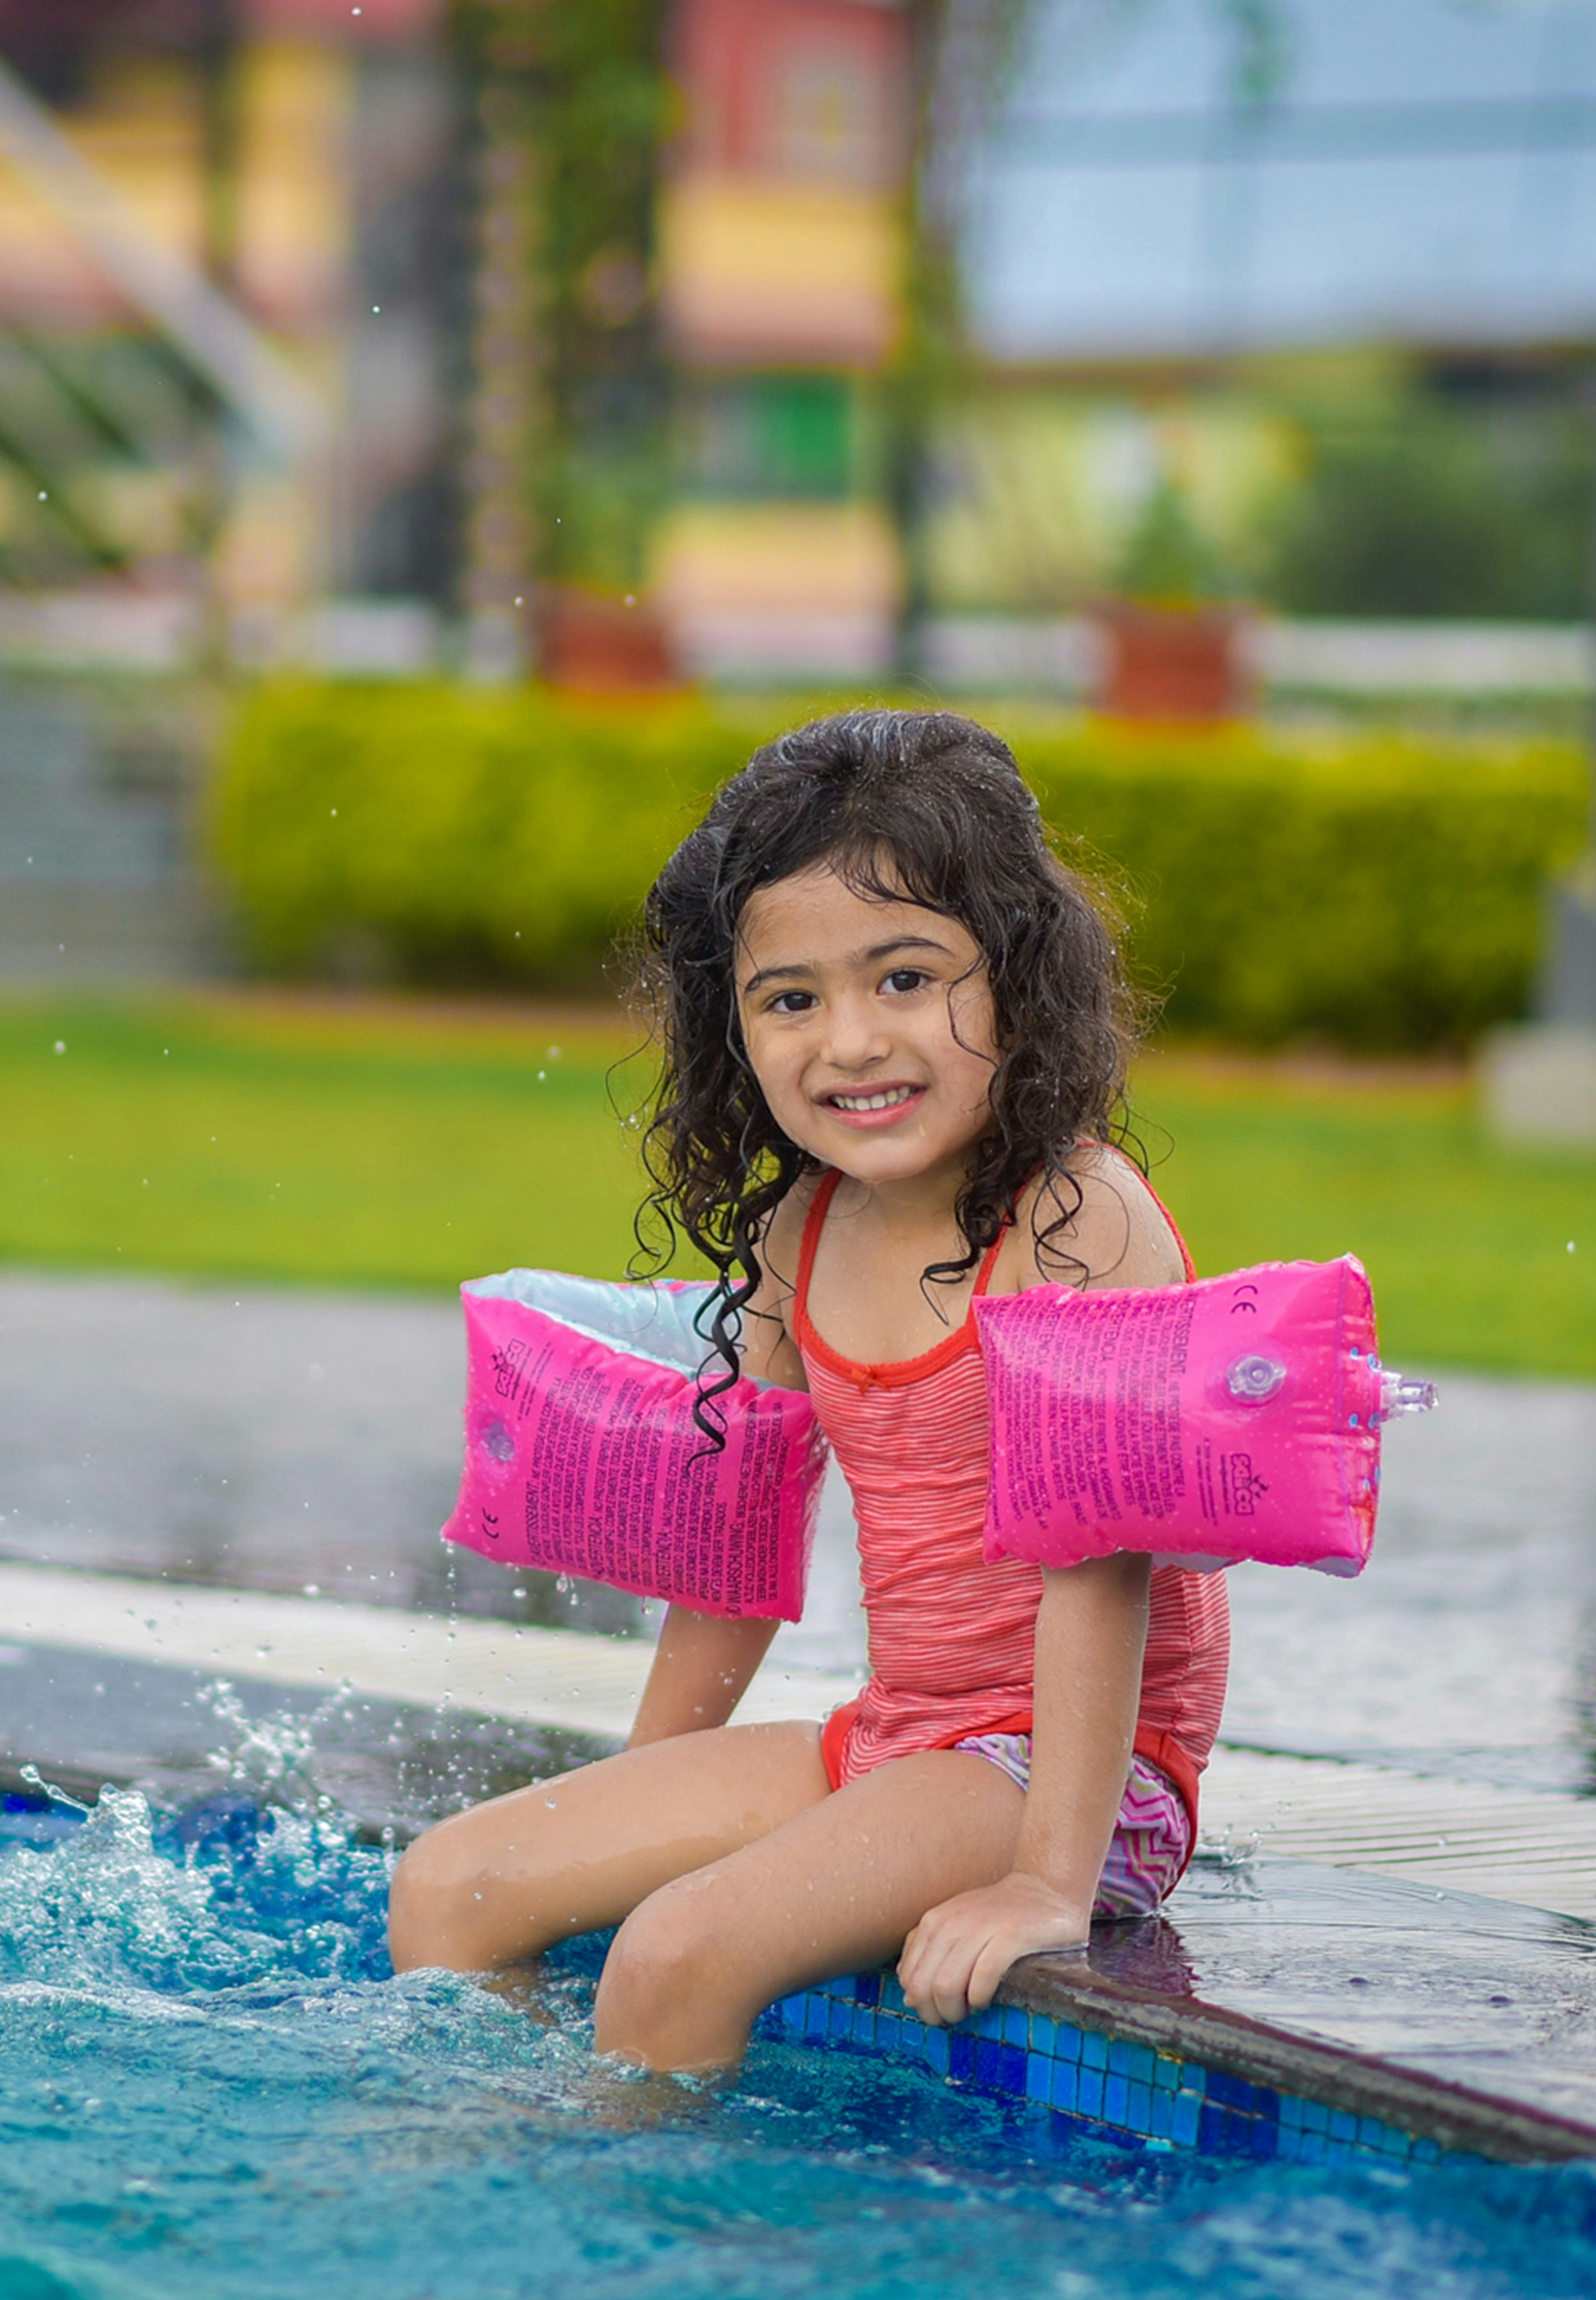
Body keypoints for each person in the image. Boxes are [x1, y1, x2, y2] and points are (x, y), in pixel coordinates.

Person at [387, 708, 1231, 2075]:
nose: (849, 1041)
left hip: (1077, 1776)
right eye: (791, 999)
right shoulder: (802, 1235)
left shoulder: (1073, 1216)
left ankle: (649, 2243)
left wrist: (1046, 1884)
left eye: (904, 979)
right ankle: (504, 2183)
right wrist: (622, 1802)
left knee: (678, 1952)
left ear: (1015, 972)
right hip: (898, 1738)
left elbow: (1099, 1566)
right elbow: (731, 1559)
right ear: (731, 1028)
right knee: (452, 1881)